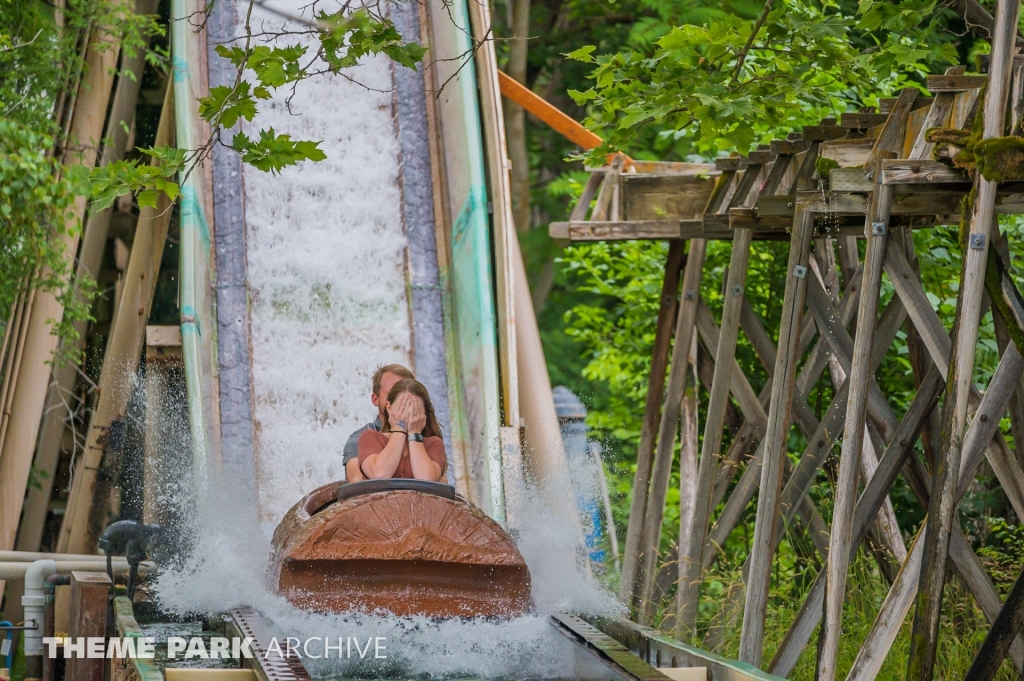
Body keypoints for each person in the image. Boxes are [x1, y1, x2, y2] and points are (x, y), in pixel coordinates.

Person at [358, 379, 447, 481]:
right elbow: (379, 474)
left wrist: (414, 434)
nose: (408, 414)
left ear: (424, 413)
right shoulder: (370, 437)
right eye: (402, 408)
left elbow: (427, 481)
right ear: (389, 407)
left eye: (414, 409)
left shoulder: (434, 444)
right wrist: (399, 429)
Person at [343, 364, 414, 483]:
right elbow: (357, 486)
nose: (400, 400)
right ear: (375, 399)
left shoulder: (427, 438)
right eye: (392, 393)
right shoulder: (358, 439)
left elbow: (442, 490)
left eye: (406, 394)